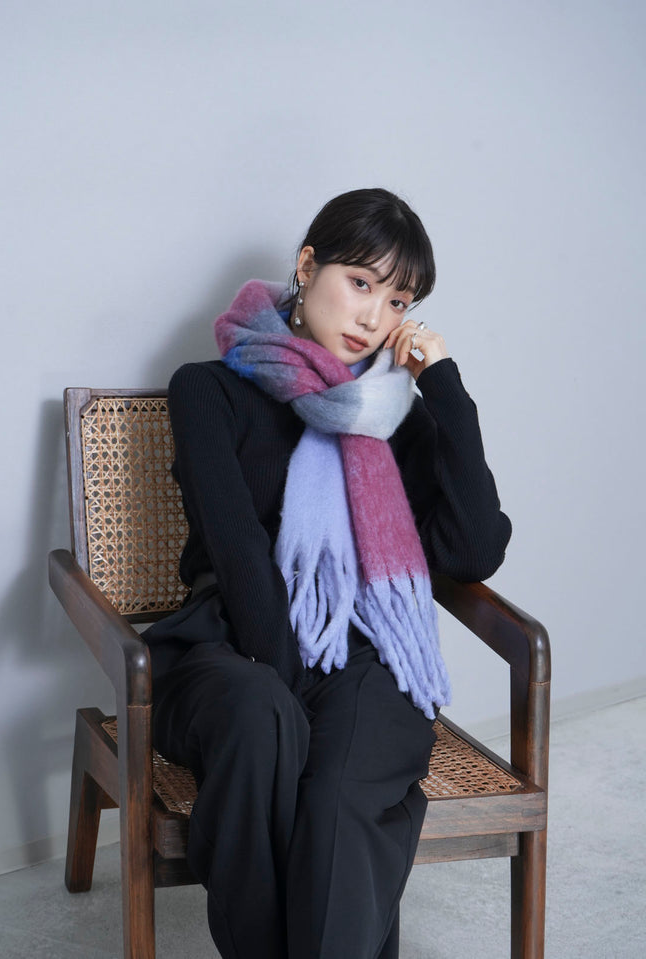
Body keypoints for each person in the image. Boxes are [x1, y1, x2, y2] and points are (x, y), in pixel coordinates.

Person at [143, 187, 511, 959]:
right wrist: (297, 697)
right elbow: (238, 550)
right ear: (308, 267)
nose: (373, 315)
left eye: (397, 299)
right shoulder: (208, 389)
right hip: (228, 648)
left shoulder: (396, 415)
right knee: (263, 717)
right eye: (361, 281)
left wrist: (444, 384)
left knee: (344, 790)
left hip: (365, 652)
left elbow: (473, 547)